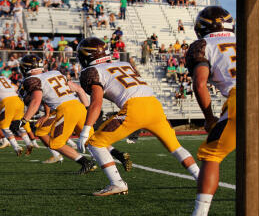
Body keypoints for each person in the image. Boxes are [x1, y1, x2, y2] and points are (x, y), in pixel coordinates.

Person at [73, 36, 195, 195]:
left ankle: (117, 183)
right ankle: (200, 177)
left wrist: (85, 129)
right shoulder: (124, 64)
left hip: (134, 108)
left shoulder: (92, 71)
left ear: (86, 56)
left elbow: (96, 103)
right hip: (154, 105)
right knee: (175, 147)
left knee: (95, 143)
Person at [179, 4, 236, 216]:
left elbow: (200, 83)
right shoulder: (251, 38)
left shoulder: (203, 45)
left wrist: (209, 117)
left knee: (211, 153)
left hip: (243, 98)